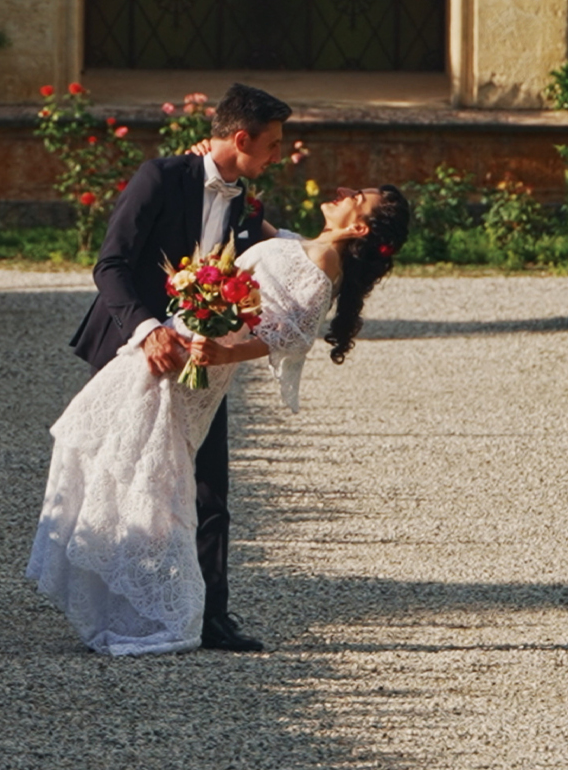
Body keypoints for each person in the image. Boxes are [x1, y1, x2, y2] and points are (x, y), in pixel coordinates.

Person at [29, 182, 411, 655]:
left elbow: (287, 336)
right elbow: (252, 220)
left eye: (357, 197)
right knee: (120, 448)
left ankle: (157, 611)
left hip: (201, 361)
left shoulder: (322, 265)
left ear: (359, 227)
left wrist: (221, 352)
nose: (344, 191)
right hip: (180, 342)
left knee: (150, 472)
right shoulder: (303, 244)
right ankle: (121, 595)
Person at [63, 82, 291, 650]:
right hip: (129, 348)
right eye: (273, 144)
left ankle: (210, 617)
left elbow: (274, 256)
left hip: (201, 360)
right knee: (122, 484)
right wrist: (148, 331)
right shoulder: (159, 177)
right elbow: (110, 265)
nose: (279, 155)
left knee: (211, 487)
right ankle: (117, 613)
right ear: (242, 139)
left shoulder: (243, 201)